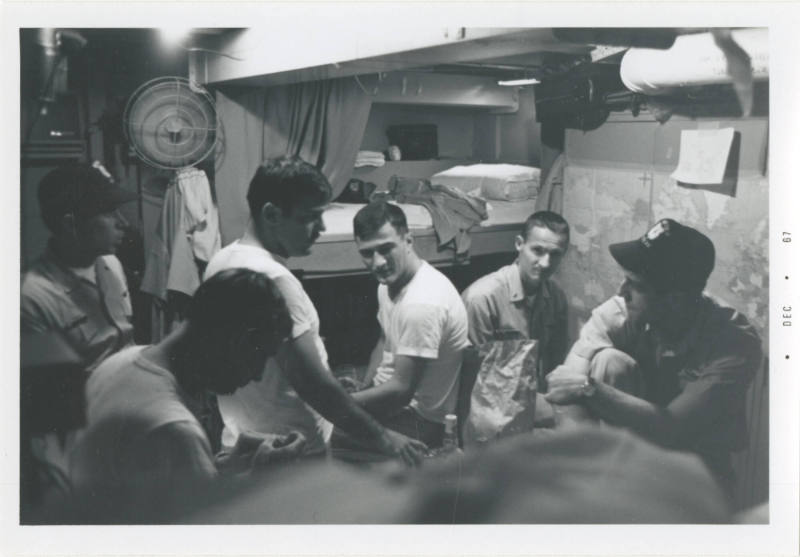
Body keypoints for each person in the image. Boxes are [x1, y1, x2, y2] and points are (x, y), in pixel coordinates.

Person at [204, 157, 427, 465]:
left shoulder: (223, 260)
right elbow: (314, 387)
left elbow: (273, 366)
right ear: (271, 214)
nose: (320, 228)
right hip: (292, 452)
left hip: (244, 440)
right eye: (310, 217)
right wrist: (383, 437)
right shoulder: (275, 280)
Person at [545, 218, 762, 498]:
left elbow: (672, 427)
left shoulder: (732, 340)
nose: (622, 292)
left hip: (696, 467)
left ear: (674, 299)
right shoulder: (620, 312)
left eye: (635, 284)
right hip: (629, 456)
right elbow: (566, 387)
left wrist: (589, 389)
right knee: (608, 360)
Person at [68, 268, 303, 499]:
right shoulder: (173, 428)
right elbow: (209, 529)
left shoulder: (120, 363)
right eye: (261, 357)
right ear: (237, 342)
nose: (258, 376)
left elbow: (157, 485)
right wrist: (261, 479)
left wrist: (226, 465)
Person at [349, 201, 470, 448]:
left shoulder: (422, 303)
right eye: (367, 253)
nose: (378, 262)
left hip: (420, 421)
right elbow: (385, 340)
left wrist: (344, 402)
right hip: (395, 403)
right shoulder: (388, 283)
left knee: (319, 433)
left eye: (386, 249)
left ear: (408, 241)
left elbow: (401, 390)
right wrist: (366, 385)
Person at [21, 161, 138, 373]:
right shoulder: (33, 297)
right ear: (70, 224)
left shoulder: (110, 264)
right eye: (109, 213)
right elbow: (54, 390)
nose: (123, 223)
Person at [461, 210, 570, 381]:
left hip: (530, 392)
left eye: (555, 254)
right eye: (538, 250)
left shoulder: (556, 297)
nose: (545, 263)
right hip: (487, 396)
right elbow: (477, 375)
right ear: (519, 244)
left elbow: (554, 364)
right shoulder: (482, 298)